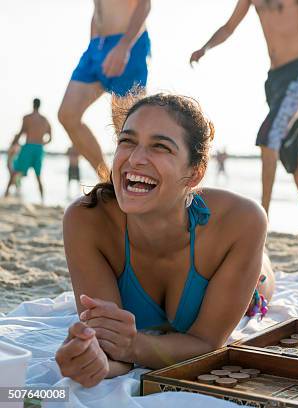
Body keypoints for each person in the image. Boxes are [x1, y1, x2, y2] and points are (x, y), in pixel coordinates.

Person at [55, 93, 275, 387]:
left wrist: (132, 346)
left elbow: (208, 344)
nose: (135, 159)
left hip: (246, 278)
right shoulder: (87, 221)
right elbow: (110, 348)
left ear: (195, 173)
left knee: (261, 272)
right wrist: (92, 357)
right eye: (127, 141)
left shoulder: (243, 220)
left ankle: (263, 258)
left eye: (160, 147)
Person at [190, 0, 298, 235]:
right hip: (275, 79)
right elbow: (229, 27)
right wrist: (205, 48)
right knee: (290, 149)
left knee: (268, 136)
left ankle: (262, 218)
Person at [58, 0, 151, 179]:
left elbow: (144, 4)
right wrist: (93, 40)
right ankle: (107, 180)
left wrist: (124, 45)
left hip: (127, 42)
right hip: (97, 46)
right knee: (68, 115)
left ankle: (133, 189)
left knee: (126, 129)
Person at [4, 98, 52, 202]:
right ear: (40, 105)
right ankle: (43, 200)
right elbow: (50, 137)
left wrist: (13, 144)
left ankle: (6, 194)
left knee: (15, 171)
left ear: (33, 105)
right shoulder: (45, 120)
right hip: (39, 149)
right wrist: (42, 143)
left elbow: (21, 132)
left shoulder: (27, 118)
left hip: (29, 146)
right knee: (38, 176)